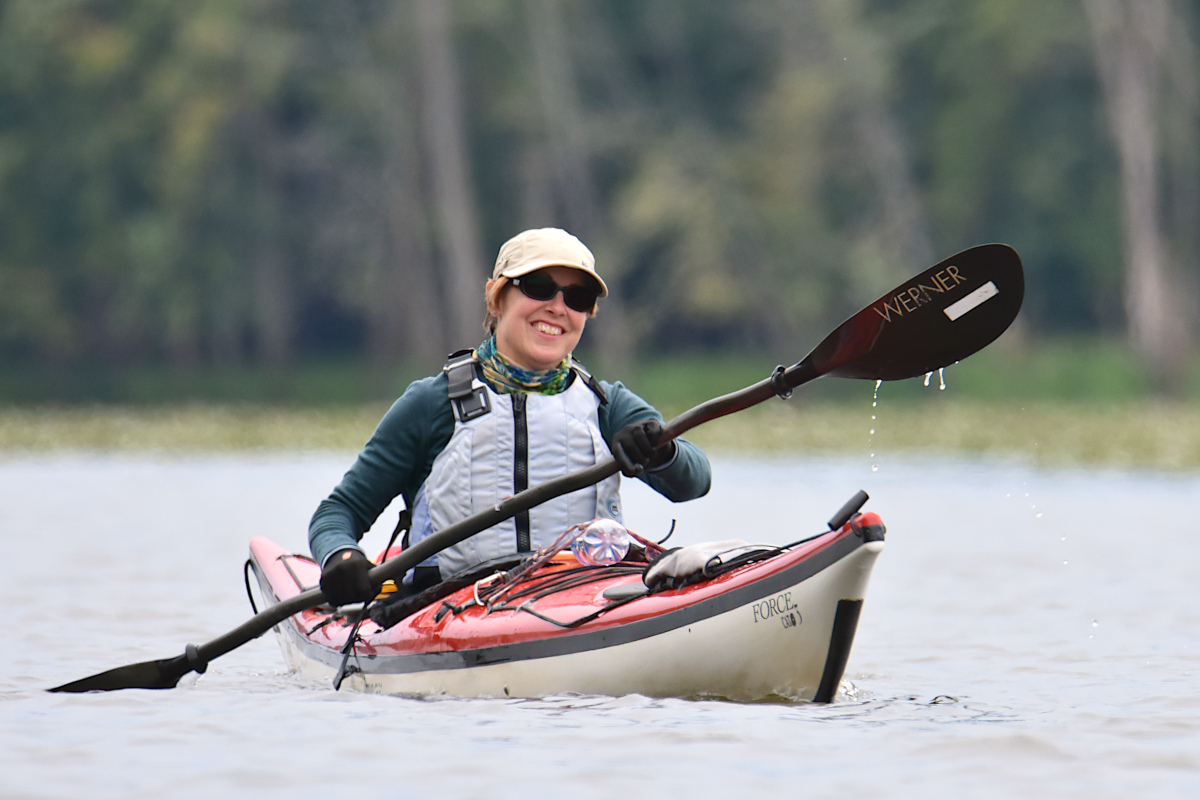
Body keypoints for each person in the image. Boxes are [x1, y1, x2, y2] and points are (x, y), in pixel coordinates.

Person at [310, 227, 711, 606]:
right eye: (538, 288)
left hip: (581, 597)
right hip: (449, 608)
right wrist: (341, 557)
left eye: (577, 297)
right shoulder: (431, 404)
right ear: (496, 297)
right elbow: (338, 512)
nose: (557, 308)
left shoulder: (609, 406)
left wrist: (660, 452)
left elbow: (694, 481)